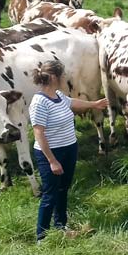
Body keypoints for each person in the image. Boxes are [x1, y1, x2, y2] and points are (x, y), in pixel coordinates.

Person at [29, 60, 108, 242]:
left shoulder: (57, 95)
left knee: (63, 189)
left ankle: (61, 225)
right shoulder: (39, 102)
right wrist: (51, 160)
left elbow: (71, 102)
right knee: (50, 194)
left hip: (69, 149)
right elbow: (38, 132)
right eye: (63, 75)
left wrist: (94, 104)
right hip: (51, 153)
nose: (66, 78)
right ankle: (41, 236)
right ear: (55, 77)